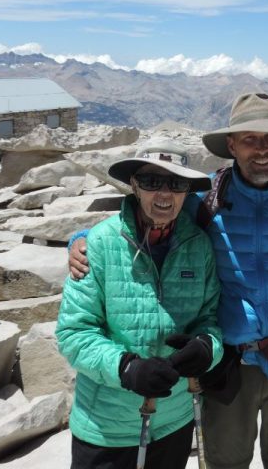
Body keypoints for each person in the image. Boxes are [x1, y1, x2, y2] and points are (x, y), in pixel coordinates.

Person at [69, 93, 268, 469]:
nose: (262, 150)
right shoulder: (207, 197)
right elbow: (150, 217)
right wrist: (81, 239)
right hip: (227, 366)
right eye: (249, 139)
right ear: (231, 145)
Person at [57, 138, 223, 469]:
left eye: (176, 183)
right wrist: (126, 368)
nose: (164, 194)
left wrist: (208, 347)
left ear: (187, 191)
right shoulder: (100, 245)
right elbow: (73, 333)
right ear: (134, 185)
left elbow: (210, 317)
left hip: (175, 419)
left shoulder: (199, 246)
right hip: (108, 426)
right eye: (151, 182)